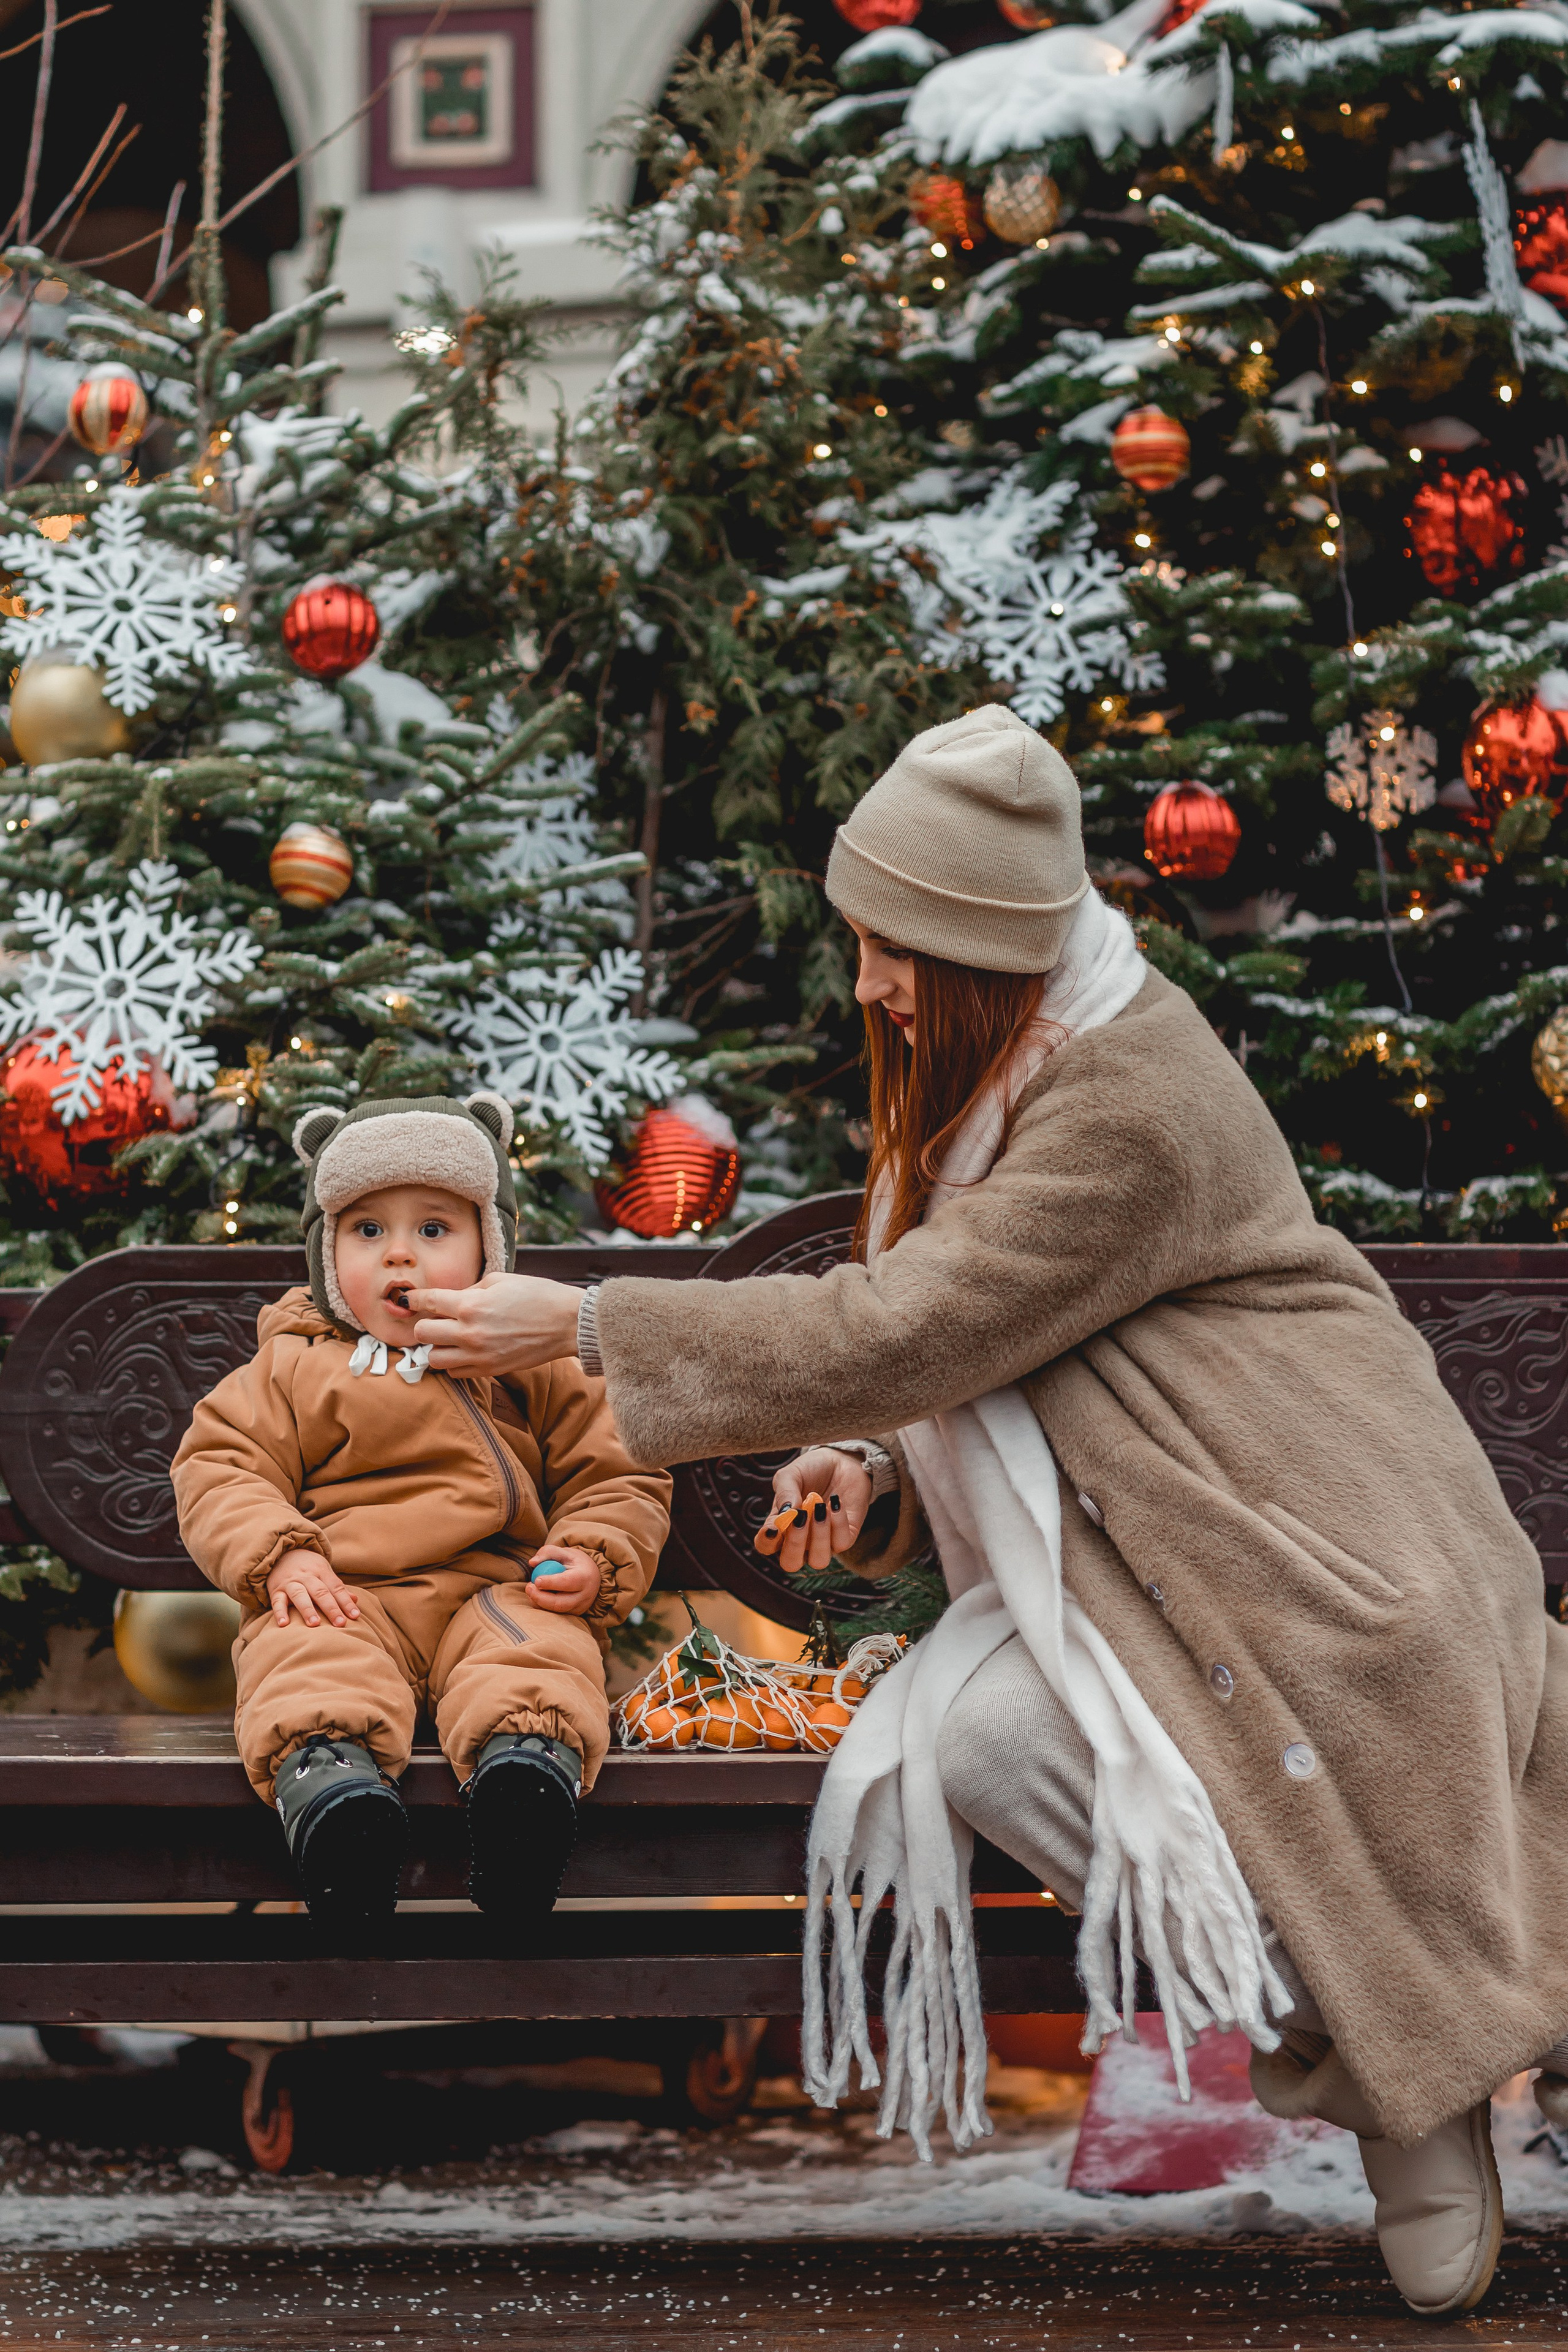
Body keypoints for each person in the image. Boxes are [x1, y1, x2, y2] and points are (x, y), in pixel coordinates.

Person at [407, 704, 1568, 2319]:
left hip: (1311, 1555)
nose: (867, 983)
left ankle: (1413, 2078)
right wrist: (880, 1488)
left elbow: (904, 1332)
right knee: (985, 1739)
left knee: (1268, 1770)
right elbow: (1007, 1386)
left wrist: (592, 1321)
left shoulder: (1124, 1105)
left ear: (984, 957)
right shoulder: (989, 1085)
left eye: (894, 950)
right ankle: (1388, 2049)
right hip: (1157, 1554)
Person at [172, 1091, 671, 1937]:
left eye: (434, 1230)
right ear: (329, 1254)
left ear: (490, 1244)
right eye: (368, 1232)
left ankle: (525, 1790)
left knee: (540, 1652)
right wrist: (281, 1556)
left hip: (499, 1590)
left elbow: (616, 1469)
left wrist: (592, 1551)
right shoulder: (292, 1368)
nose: (400, 1256)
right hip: (348, 1592)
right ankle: (337, 1809)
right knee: (307, 1653)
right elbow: (221, 1467)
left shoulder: (530, 1359)